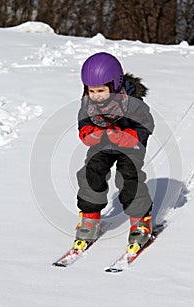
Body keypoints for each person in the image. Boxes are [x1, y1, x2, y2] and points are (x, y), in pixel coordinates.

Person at [75, 52, 154, 252]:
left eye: (100, 90)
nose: (96, 95)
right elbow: (84, 121)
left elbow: (146, 124)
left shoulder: (132, 103)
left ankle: (140, 220)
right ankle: (90, 217)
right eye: (91, 90)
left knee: (128, 177)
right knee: (91, 172)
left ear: (116, 84)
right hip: (102, 143)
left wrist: (130, 136)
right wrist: (88, 133)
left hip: (130, 146)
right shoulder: (88, 102)